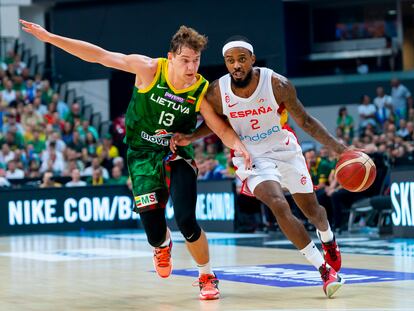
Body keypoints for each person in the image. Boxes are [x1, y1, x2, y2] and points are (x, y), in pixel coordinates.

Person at [20, 20, 251, 300]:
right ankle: (161, 245)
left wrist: (239, 146)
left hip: (176, 152)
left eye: (196, 60)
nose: (191, 67)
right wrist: (49, 37)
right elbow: (99, 55)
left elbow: (220, 127)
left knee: (187, 220)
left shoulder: (200, 89)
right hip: (141, 154)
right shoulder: (149, 69)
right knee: (154, 232)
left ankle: (206, 276)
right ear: (171, 58)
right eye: (185, 60)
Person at [172, 36, 347, 298]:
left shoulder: (277, 84)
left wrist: (342, 150)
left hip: (284, 148)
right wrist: (190, 137)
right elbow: (215, 123)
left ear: (252, 60)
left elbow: (307, 122)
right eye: (230, 61)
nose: (237, 65)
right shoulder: (217, 92)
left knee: (313, 210)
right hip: (250, 155)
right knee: (278, 204)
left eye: (242, 59)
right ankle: (323, 270)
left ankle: (328, 237)